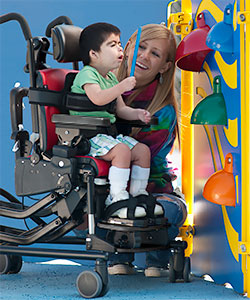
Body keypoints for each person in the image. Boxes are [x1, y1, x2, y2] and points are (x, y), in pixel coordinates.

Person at [107, 24, 187, 277]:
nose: (144, 56)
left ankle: (157, 259)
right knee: (85, 199)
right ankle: (116, 255)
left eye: (155, 54)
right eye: (141, 47)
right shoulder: (101, 89)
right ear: (128, 47)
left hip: (151, 188)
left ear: (164, 66)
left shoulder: (163, 110)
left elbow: (144, 159)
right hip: (108, 188)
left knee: (169, 210)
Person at [70, 22, 163, 219]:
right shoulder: (87, 74)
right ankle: (117, 197)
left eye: (120, 43)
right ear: (94, 54)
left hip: (107, 135)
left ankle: (138, 194)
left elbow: (120, 109)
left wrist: (138, 114)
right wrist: (122, 86)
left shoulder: (111, 78)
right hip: (87, 136)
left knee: (141, 151)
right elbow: (98, 98)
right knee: (121, 151)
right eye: (113, 45)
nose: (120, 48)